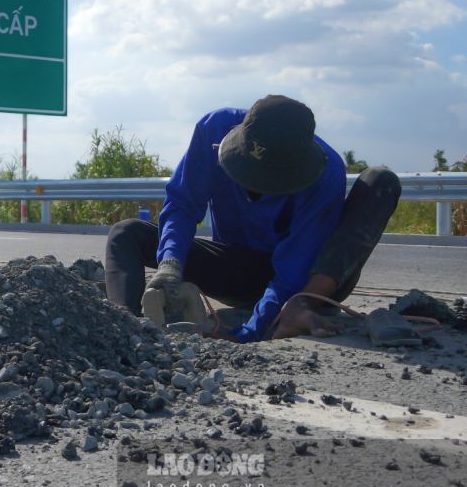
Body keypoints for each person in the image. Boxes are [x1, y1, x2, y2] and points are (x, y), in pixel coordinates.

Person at [104, 95, 401, 342]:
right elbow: (182, 203)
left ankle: (299, 307)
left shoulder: (326, 172)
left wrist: (250, 332)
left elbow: (295, 264)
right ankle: (125, 330)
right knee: (126, 233)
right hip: (240, 269)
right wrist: (170, 265)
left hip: (307, 280)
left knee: (380, 181)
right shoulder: (215, 128)